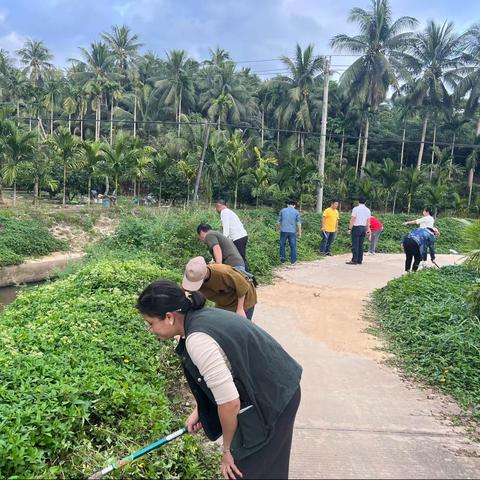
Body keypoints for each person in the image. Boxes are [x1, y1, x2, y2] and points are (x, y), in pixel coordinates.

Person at [138, 280, 302, 480]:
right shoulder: (200, 317)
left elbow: (230, 404)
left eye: (151, 323)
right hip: (280, 384)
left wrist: (227, 451)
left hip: (275, 397)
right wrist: (201, 410)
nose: (150, 330)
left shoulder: (198, 340)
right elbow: (220, 380)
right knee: (269, 468)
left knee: (243, 471)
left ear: (170, 317)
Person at [183, 256, 257, 319]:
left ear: (204, 275)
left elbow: (242, 285)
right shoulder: (192, 274)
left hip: (243, 299)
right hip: (224, 303)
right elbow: (186, 293)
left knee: (241, 328)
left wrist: (240, 309)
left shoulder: (223, 273)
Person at [215, 200, 249, 265]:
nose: (216, 211)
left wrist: (222, 242)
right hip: (242, 236)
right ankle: (245, 273)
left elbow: (226, 231)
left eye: (216, 208)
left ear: (218, 206)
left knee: (240, 259)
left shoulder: (224, 212)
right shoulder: (229, 212)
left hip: (238, 238)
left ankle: (246, 274)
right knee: (240, 258)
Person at [346, 196, 371, 265]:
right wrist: (368, 230)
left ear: (358, 201)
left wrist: (349, 229)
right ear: (366, 202)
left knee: (355, 244)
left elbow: (353, 219)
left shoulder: (356, 209)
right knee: (361, 245)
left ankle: (354, 260)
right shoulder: (368, 210)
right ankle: (360, 260)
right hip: (363, 228)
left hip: (356, 228)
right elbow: (368, 222)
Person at [277, 200, 302, 266]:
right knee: (293, 246)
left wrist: (279, 230)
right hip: (292, 232)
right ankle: (293, 261)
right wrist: (299, 233)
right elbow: (299, 223)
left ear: (287, 204)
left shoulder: (282, 210)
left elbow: (278, 222)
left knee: (282, 245)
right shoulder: (296, 212)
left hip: (283, 231)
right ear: (294, 205)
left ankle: (282, 259)